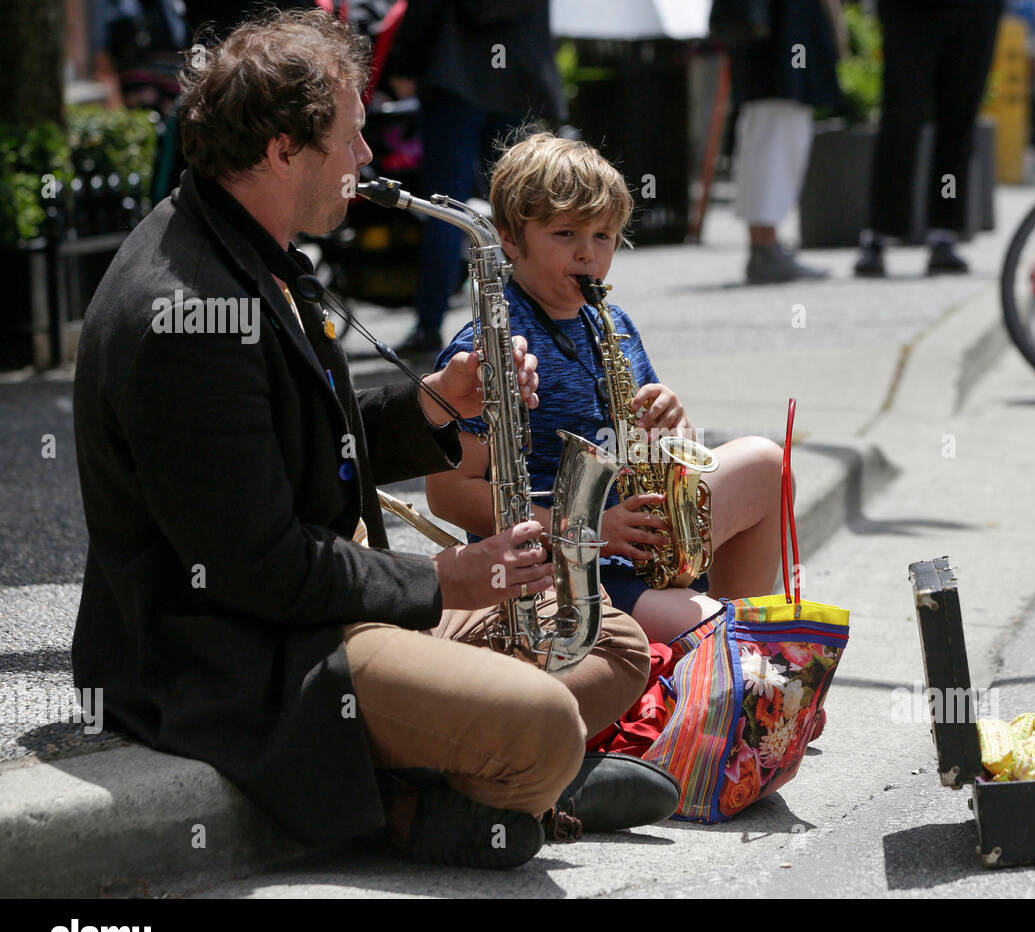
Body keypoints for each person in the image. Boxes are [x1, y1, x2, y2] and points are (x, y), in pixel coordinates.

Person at [71, 9, 676, 873]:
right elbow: (259, 568)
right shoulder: (188, 318)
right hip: (243, 653)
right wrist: (441, 580)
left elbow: (300, 434)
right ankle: (457, 789)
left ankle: (499, 777)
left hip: (318, 600)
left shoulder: (243, 241)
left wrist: (434, 403)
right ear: (284, 150)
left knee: (610, 641)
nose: (367, 159)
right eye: (352, 139)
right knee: (544, 722)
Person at [429, 132, 787, 646]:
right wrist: (585, 530)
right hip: (565, 570)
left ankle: (722, 655)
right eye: (565, 234)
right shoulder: (491, 350)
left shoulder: (612, 323)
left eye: (603, 237)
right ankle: (720, 651)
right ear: (509, 238)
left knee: (763, 461)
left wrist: (672, 423)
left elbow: (652, 449)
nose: (587, 255)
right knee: (727, 633)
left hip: (635, 537)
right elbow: (449, 493)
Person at [385, 0, 563, 355]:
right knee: (524, 205)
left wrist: (404, 62)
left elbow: (424, 9)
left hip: (456, 72)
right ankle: (546, 318)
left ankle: (429, 324)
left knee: (445, 207)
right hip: (516, 70)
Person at [856, 0, 1004, 278]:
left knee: (959, 119)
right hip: (911, 11)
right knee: (901, 115)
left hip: (974, 11)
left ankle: (943, 234)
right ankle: (880, 232)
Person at [717, 0, 845, 284]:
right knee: (775, 127)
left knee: (774, 127)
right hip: (781, 28)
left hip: (776, 30)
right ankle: (765, 244)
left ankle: (766, 244)